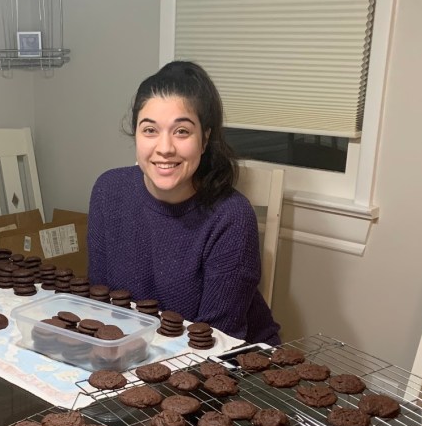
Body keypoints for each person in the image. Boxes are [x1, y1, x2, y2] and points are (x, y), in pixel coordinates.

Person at [87, 61, 280, 345]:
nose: (165, 148)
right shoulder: (108, 191)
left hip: (228, 359)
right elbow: (100, 307)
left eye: (181, 131)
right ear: (136, 134)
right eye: (150, 130)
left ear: (204, 139)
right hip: (138, 352)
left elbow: (215, 344)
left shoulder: (231, 217)